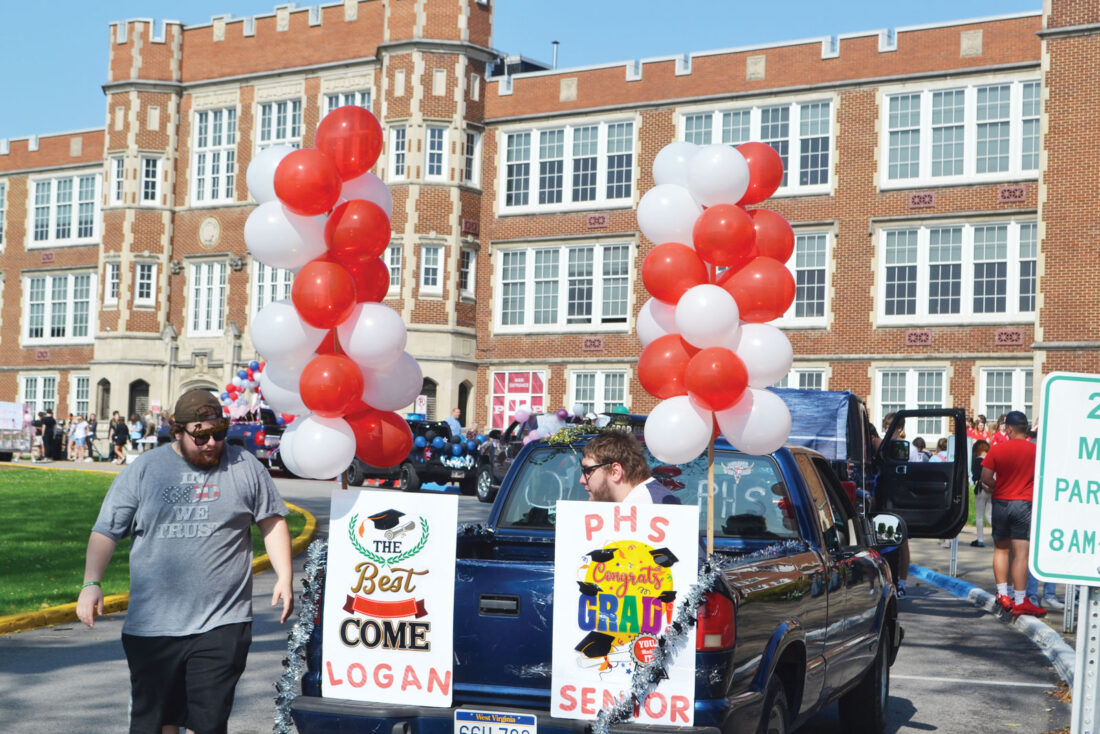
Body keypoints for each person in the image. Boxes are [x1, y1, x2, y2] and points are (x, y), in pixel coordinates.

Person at [76, 388, 294, 734]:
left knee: (208, 723)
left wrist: (284, 576)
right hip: (152, 626)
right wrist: (91, 583)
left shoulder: (244, 465)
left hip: (223, 622)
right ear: (177, 431)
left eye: (218, 433)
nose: (211, 443)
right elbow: (106, 530)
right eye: (201, 435)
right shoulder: (146, 469)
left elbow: (272, 520)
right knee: (158, 723)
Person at [982, 410, 1045, 617]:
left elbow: (985, 477)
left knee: (1001, 550)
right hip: (1024, 503)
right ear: (1025, 429)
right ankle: (1020, 600)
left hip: (1001, 501)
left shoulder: (998, 449)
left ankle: (1003, 595)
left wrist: (997, 486)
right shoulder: (1035, 450)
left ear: (1009, 428)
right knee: (1021, 553)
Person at [579, 430, 679, 505]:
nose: (582, 480)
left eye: (588, 470)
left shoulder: (645, 507)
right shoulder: (643, 502)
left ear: (615, 471)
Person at [970, 440, 992, 547]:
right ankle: (1002, 534)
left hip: (980, 489)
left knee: (979, 516)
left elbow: (975, 476)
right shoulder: (992, 460)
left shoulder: (976, 461)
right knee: (989, 514)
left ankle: (980, 540)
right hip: (992, 489)